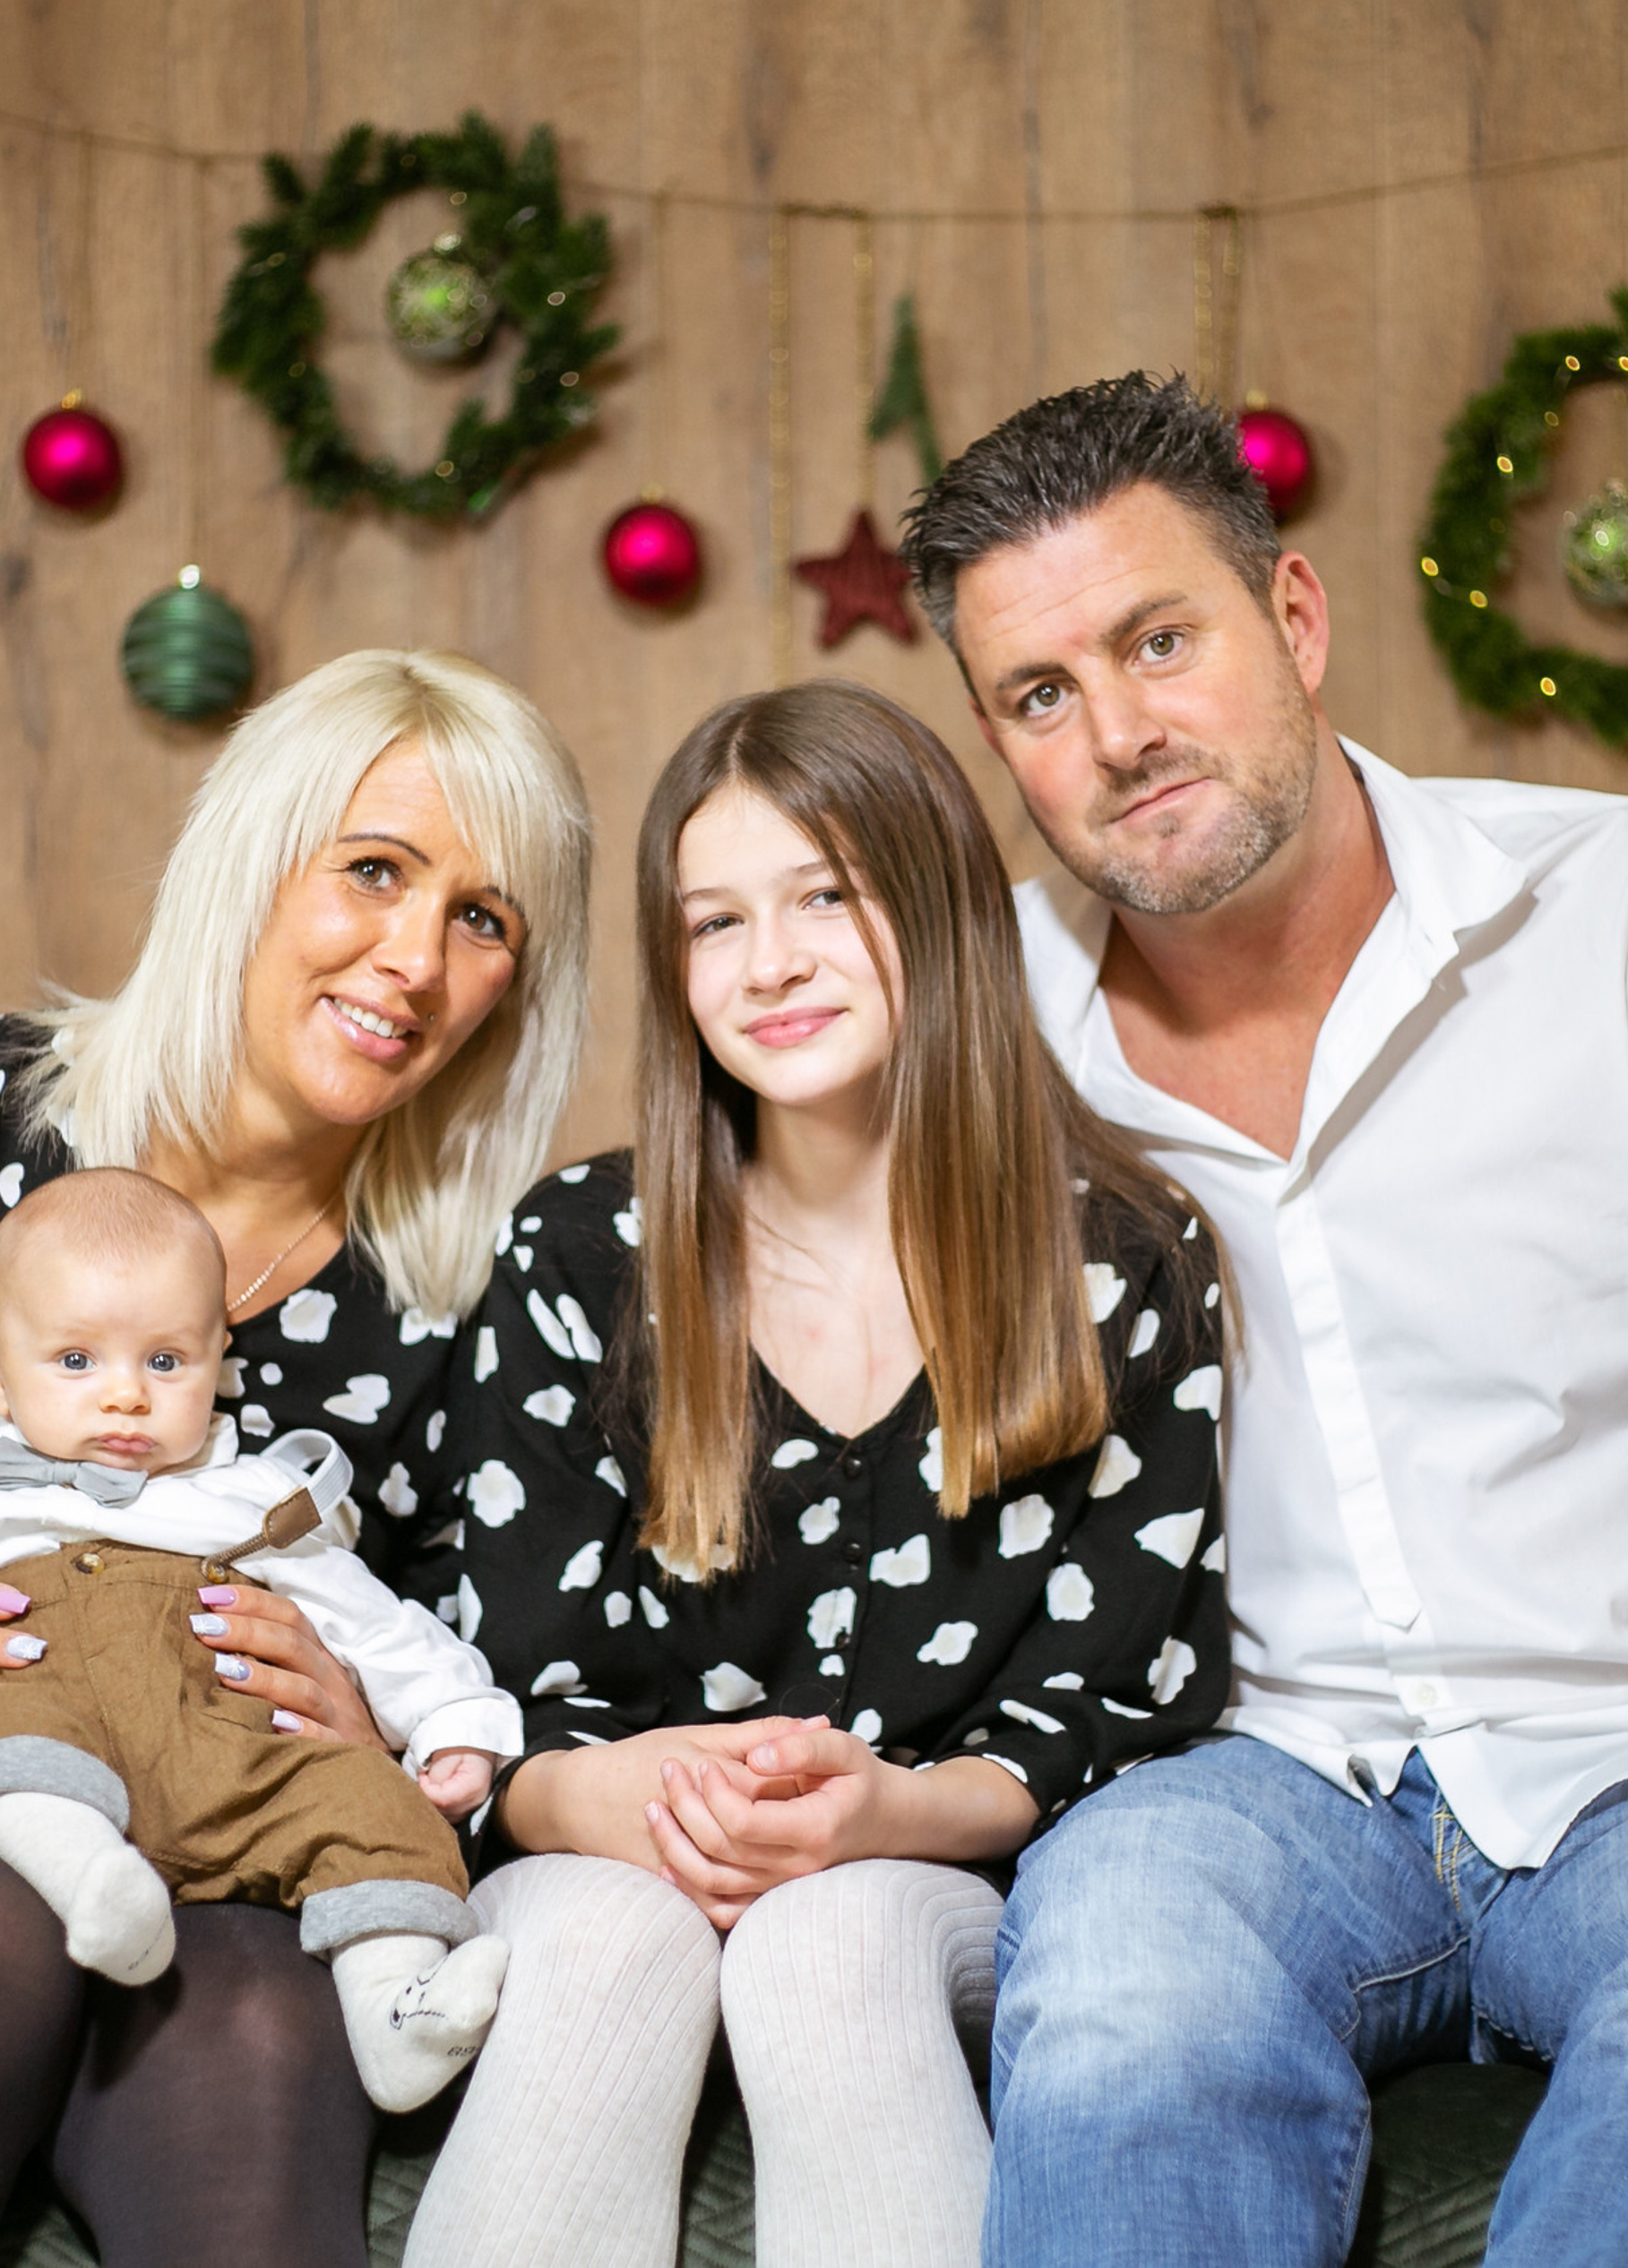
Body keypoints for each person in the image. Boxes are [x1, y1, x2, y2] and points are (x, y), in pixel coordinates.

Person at [894, 373, 1628, 2267]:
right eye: (1039, 694)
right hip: (1256, 1785)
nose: (1120, 732)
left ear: (1292, 618)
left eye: (1160, 639)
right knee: (1119, 1966)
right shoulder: (983, 1033)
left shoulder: (1622, 907)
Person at [0, 648, 590, 2268]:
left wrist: (390, 1732)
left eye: (484, 919)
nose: (415, 960)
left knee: (249, 2041)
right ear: (250, 864)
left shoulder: (471, 1308)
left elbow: (495, 1689)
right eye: (374, 872)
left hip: (210, 1851)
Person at [401, 679, 1231, 2268]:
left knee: (829, 1938)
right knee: (601, 1937)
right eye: (714, 925)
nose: (767, 964)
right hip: (608, 1859)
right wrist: (620, 1796)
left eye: (823, 900)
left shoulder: (1123, 1264)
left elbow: (1115, 1717)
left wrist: (873, 1821)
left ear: (937, 909)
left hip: (932, 1881)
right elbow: (500, 1703)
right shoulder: (585, 1255)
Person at [0, 1165, 517, 2110]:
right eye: (77, 1361)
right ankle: (91, 1882)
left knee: (366, 1796)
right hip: (50, 1725)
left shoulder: (255, 1499)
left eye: (165, 1362)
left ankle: (399, 2012)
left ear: (216, 1363)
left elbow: (372, 1623)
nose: (125, 1396)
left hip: (233, 1762)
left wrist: (453, 1720)